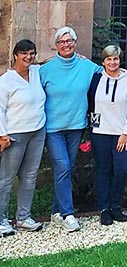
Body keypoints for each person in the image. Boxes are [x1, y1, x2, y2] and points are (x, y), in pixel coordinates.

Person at [39, 26, 104, 233]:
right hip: (54, 128)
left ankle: (56, 211)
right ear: (56, 45)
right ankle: (68, 214)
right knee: (64, 166)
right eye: (62, 42)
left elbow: (109, 71)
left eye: (69, 41)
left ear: (75, 43)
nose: (66, 45)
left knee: (65, 169)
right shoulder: (46, 69)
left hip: (76, 126)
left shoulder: (86, 66)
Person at [88, 45, 127, 225]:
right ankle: (104, 209)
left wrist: (125, 133)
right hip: (100, 132)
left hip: (122, 133)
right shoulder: (95, 79)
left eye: (116, 59)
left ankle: (115, 206)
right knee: (103, 170)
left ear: (120, 60)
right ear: (103, 61)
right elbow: (90, 104)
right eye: (109, 59)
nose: (112, 62)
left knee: (121, 169)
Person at [0, 39, 46, 235]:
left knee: (29, 176)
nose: (28, 57)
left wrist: (77, 56)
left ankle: (23, 217)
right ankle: (1, 219)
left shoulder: (36, 73)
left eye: (32, 53)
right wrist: (2, 134)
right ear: (15, 56)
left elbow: (54, 62)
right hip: (15, 134)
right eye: (24, 53)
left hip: (37, 131)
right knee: (6, 178)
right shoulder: (6, 81)